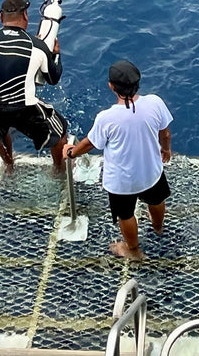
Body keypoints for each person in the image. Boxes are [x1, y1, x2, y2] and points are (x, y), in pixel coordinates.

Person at [63, 60, 172, 260]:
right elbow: (165, 132)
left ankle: (133, 250)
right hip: (152, 172)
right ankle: (158, 227)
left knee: (126, 214)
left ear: (111, 87)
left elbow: (89, 144)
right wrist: (166, 150)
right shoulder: (155, 102)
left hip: (123, 182)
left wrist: (71, 153)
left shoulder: (107, 117)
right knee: (156, 199)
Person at [0, 0, 68, 173]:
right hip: (23, 107)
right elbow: (52, 79)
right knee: (60, 133)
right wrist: (55, 55)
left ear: (0, 17)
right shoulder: (37, 46)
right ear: (26, 16)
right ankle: (58, 171)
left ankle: (9, 166)